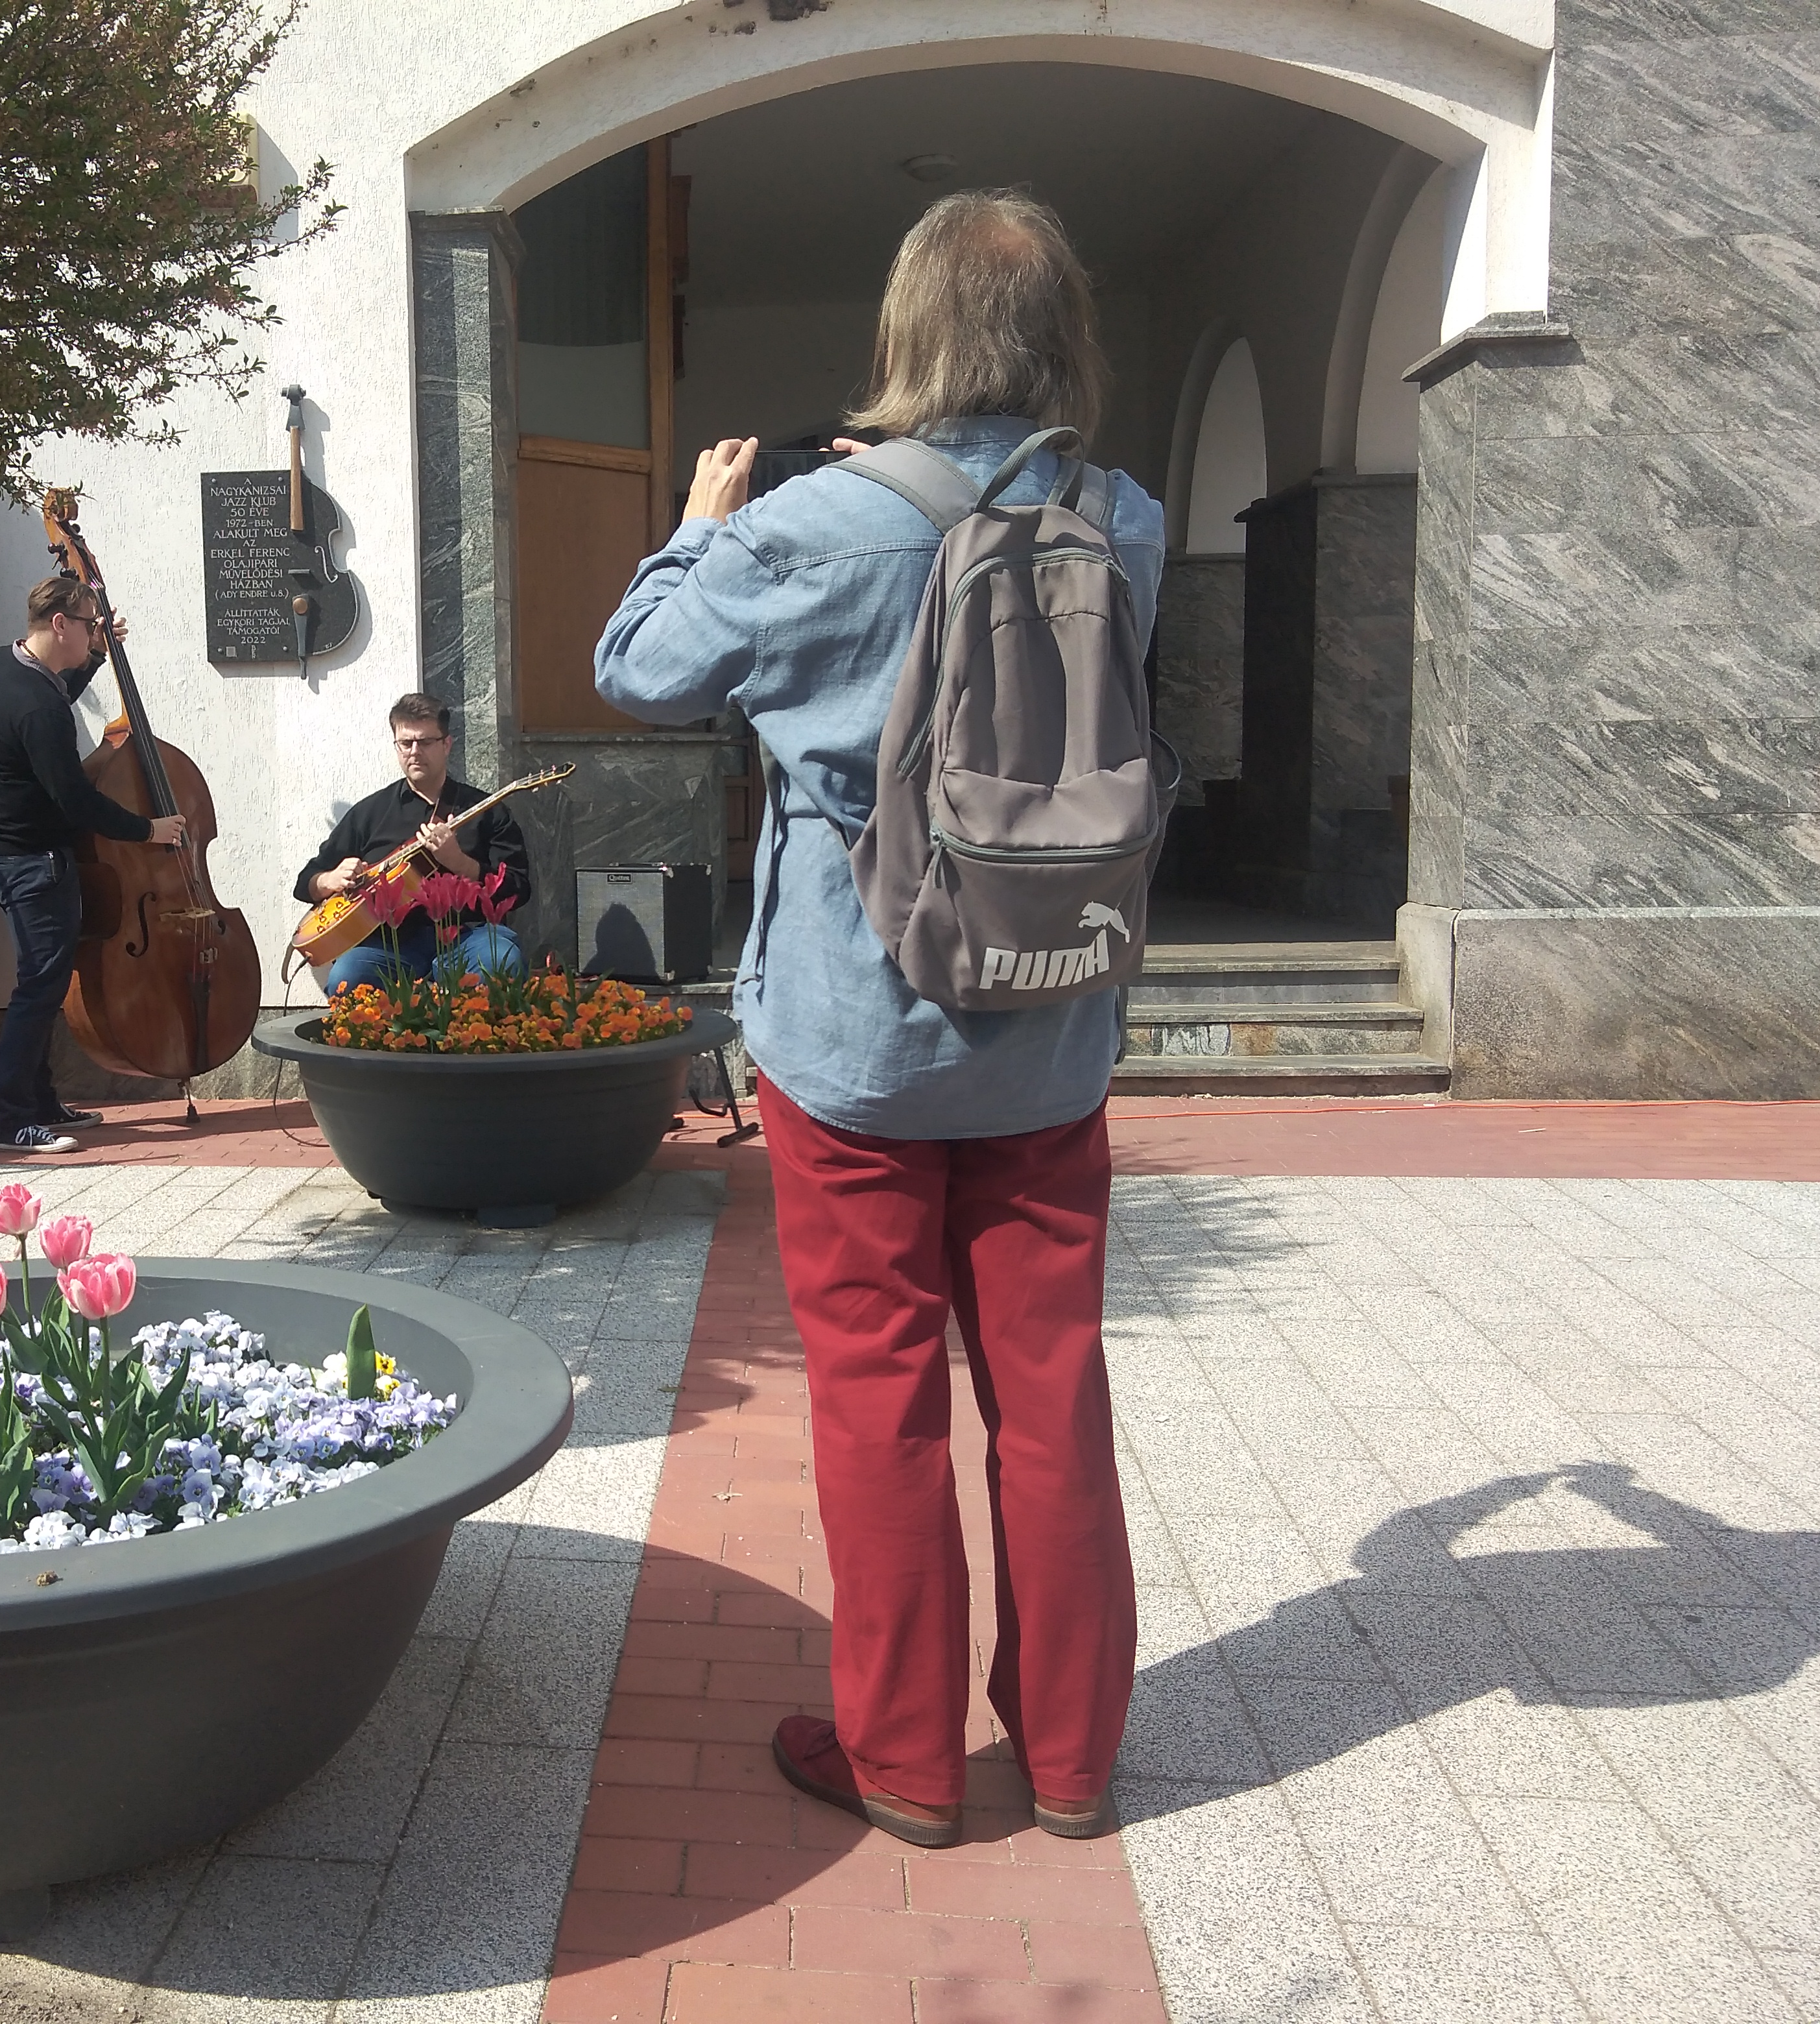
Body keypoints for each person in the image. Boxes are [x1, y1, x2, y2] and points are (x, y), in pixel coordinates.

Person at [594, 191, 1162, 1848]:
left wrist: (707, 522)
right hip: (1049, 1020)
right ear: (1062, 338)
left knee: (878, 1392)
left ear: (907, 332)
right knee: (1050, 1391)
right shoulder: (1120, 515)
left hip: (858, 1034)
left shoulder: (813, 523)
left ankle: (904, 1759)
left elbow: (638, 668)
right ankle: (1072, 1753)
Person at [0, 573, 186, 1152]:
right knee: (40, 989)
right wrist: (148, 829)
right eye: (89, 625)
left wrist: (98, 657)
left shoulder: (1, 665)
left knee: (41, 982)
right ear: (60, 623)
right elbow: (77, 801)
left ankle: (39, 1101)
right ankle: (12, 1121)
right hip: (32, 861)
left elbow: (54, 697)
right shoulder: (39, 707)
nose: (96, 634)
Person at [294, 693, 531, 994]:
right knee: (348, 976)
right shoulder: (370, 813)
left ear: (447, 745)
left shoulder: (488, 811)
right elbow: (305, 883)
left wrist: (459, 862)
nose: (415, 752)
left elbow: (519, 889)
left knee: (502, 962)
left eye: (426, 742)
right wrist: (329, 880)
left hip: (469, 937)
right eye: (406, 743)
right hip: (389, 944)